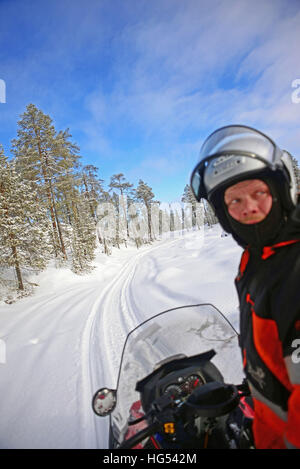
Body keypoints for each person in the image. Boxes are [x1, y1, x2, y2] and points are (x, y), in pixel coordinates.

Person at [190, 125, 300, 449]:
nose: (247, 208)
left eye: (258, 193)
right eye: (234, 199)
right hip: (266, 424)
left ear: (281, 191)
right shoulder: (257, 255)